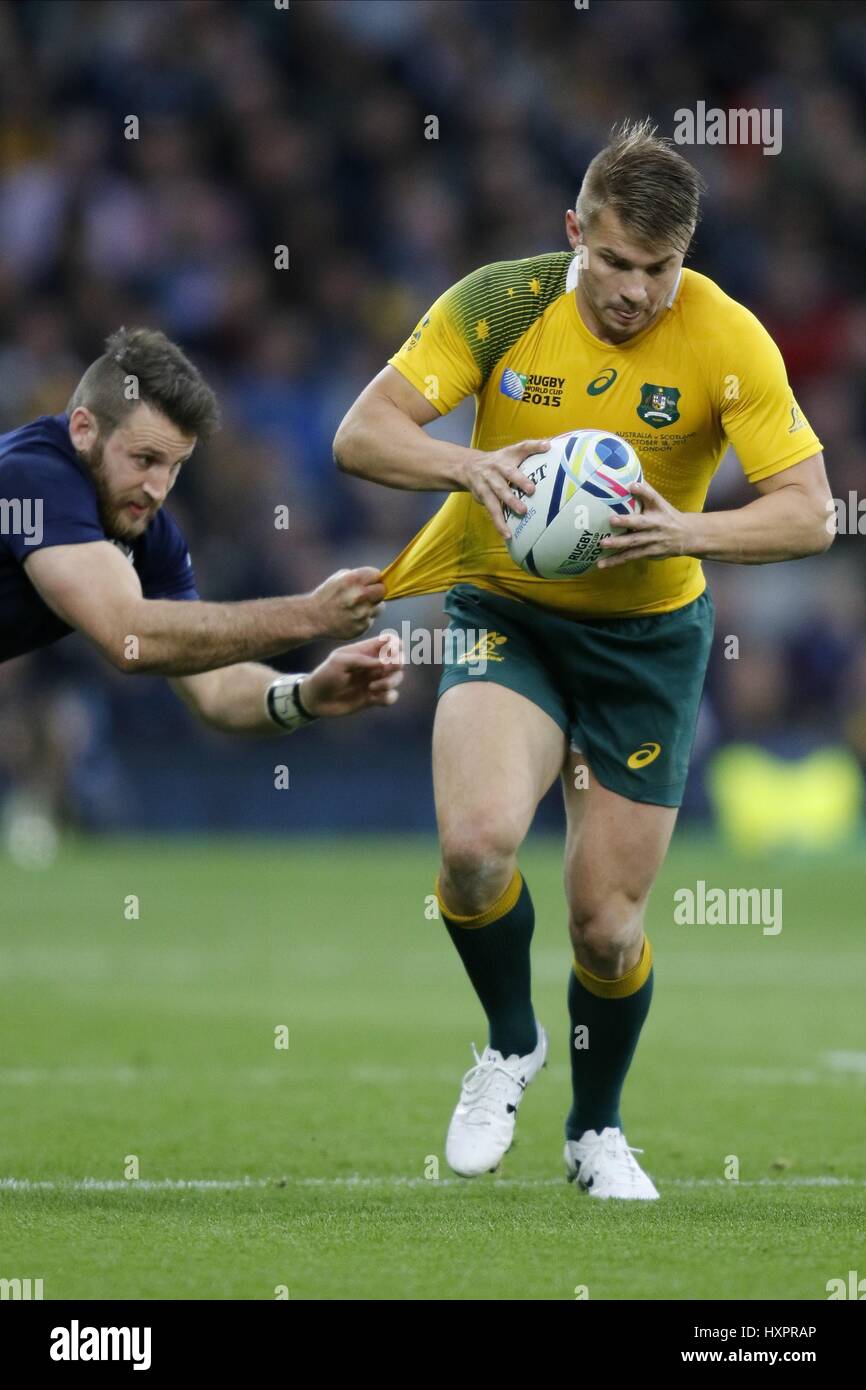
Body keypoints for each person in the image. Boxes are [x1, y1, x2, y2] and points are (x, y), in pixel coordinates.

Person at [332, 118, 832, 1199]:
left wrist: (686, 531)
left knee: (605, 931)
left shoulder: (725, 338)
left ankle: (593, 1131)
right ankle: (509, 1045)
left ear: (683, 259)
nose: (631, 291)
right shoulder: (501, 301)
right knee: (474, 847)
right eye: (610, 262)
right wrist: (468, 467)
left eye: (656, 270)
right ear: (573, 234)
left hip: (647, 642)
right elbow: (361, 435)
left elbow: (810, 513)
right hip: (505, 607)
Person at [0, 326, 402, 743]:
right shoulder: (34, 477)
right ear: (83, 430)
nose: (158, 489)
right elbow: (129, 636)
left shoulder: (146, 530)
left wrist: (306, 694)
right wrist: (312, 614)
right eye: (144, 458)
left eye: (174, 467)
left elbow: (213, 690)